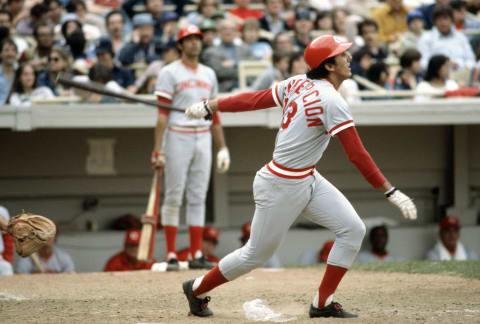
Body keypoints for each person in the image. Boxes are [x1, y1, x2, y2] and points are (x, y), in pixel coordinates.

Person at [182, 35, 417, 318]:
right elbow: (357, 154)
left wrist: (212, 105)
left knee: (353, 230)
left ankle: (322, 303)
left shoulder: (298, 82)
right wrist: (390, 191)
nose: (349, 58)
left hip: (306, 177)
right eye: (342, 54)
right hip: (281, 184)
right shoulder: (331, 99)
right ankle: (196, 288)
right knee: (255, 255)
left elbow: (254, 99)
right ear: (329, 65)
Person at [150, 24, 230, 272]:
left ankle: (196, 253)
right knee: (174, 195)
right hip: (177, 135)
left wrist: (223, 147)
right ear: (180, 44)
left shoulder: (209, 73)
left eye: (197, 38)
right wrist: (158, 149)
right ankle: (172, 253)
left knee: (198, 196)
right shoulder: (169, 72)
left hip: (202, 136)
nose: (195, 42)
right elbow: (162, 114)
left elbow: (214, 115)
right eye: (189, 39)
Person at [417, 5, 476, 70]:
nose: (443, 23)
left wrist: (459, 66)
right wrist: (442, 66)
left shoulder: (461, 37)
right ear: (434, 21)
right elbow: (422, 63)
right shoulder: (426, 38)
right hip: (436, 77)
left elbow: (471, 60)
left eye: (445, 18)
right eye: (439, 19)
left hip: (461, 75)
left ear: (452, 20)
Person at [0, 38, 18, 104]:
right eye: (6, 50)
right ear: (0, 53)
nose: (10, 54)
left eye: (13, 50)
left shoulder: (19, 74)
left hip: (15, 111)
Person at [0, 206, 13, 275]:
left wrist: (7, 259)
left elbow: (7, 236)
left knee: (6, 267)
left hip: (0, 260)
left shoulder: (1, 211)